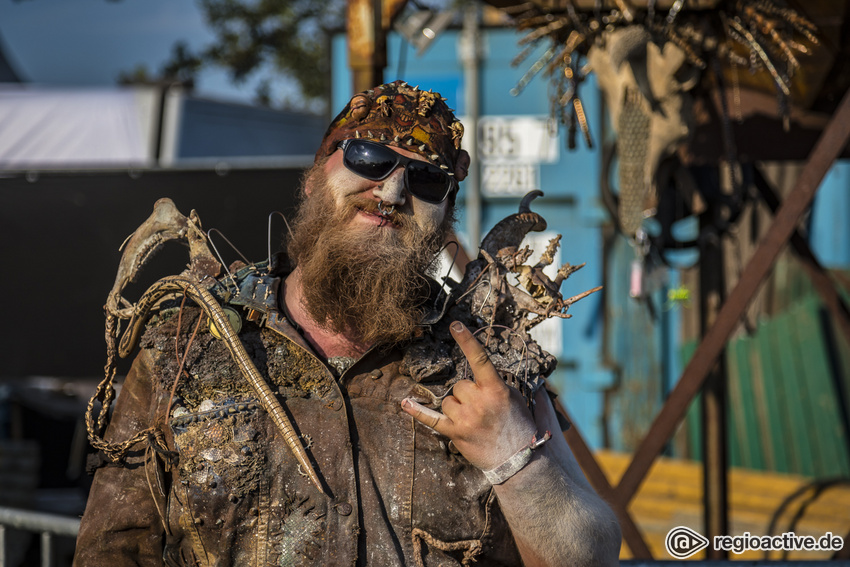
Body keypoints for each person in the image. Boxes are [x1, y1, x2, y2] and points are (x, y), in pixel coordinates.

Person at [74, 80, 620, 566]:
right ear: (315, 176)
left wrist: (514, 456)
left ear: (446, 211)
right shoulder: (187, 342)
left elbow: (590, 555)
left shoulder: (488, 363)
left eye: (427, 179)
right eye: (367, 156)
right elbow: (112, 549)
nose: (391, 192)